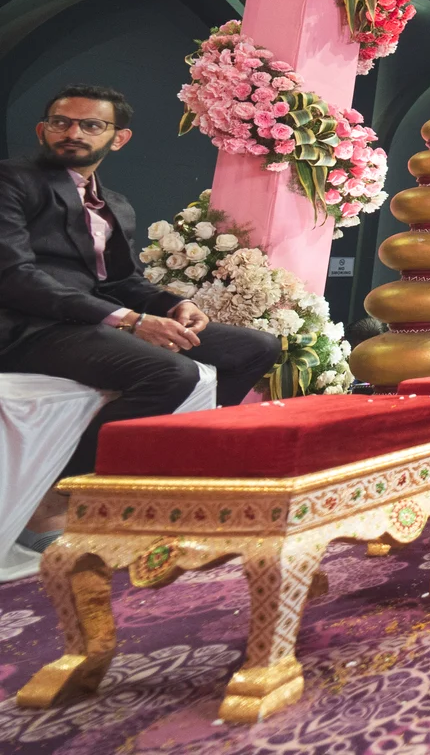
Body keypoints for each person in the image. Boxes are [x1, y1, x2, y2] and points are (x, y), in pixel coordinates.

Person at [0, 86, 281, 545]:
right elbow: (15, 277)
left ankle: (183, 473)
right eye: (61, 122)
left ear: (118, 138)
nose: (73, 132)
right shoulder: (11, 181)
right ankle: (52, 501)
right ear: (41, 129)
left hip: (86, 323)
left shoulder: (116, 204)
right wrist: (128, 321)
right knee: (169, 372)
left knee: (255, 348)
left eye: (91, 125)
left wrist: (174, 305)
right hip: (25, 325)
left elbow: (121, 281)